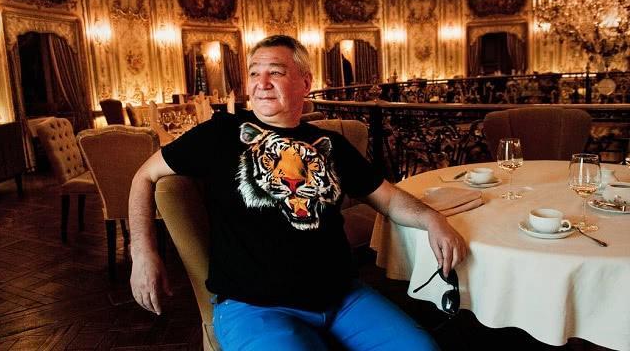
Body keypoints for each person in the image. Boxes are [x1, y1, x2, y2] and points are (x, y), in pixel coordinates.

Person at [129, 35, 467, 350]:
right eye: (254, 73)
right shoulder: (221, 133)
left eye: (275, 72)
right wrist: (143, 254)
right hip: (255, 306)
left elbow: (389, 199)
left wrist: (431, 218)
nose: (261, 83)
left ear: (305, 83)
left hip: (344, 298)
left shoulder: (331, 144)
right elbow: (143, 176)